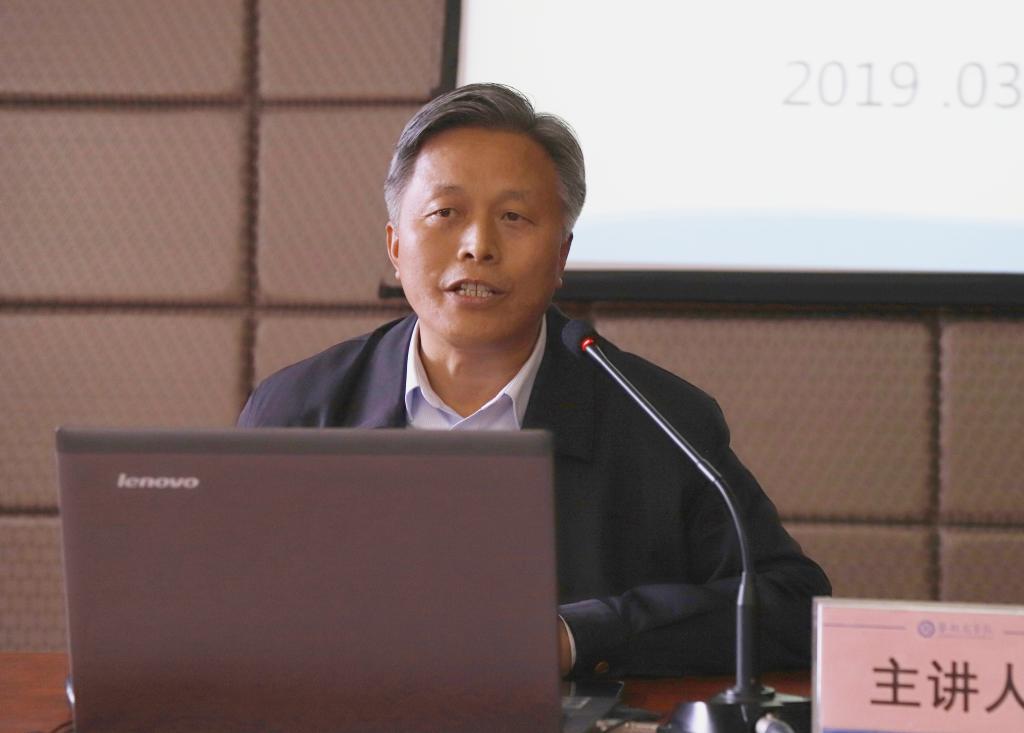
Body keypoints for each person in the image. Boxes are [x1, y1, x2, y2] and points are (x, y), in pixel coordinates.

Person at [238, 83, 831, 678]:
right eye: (446, 213)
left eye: (514, 217)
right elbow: (228, 609)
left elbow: (791, 604)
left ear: (561, 256)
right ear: (395, 245)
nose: (478, 246)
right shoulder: (297, 409)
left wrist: (579, 636)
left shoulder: (657, 419)